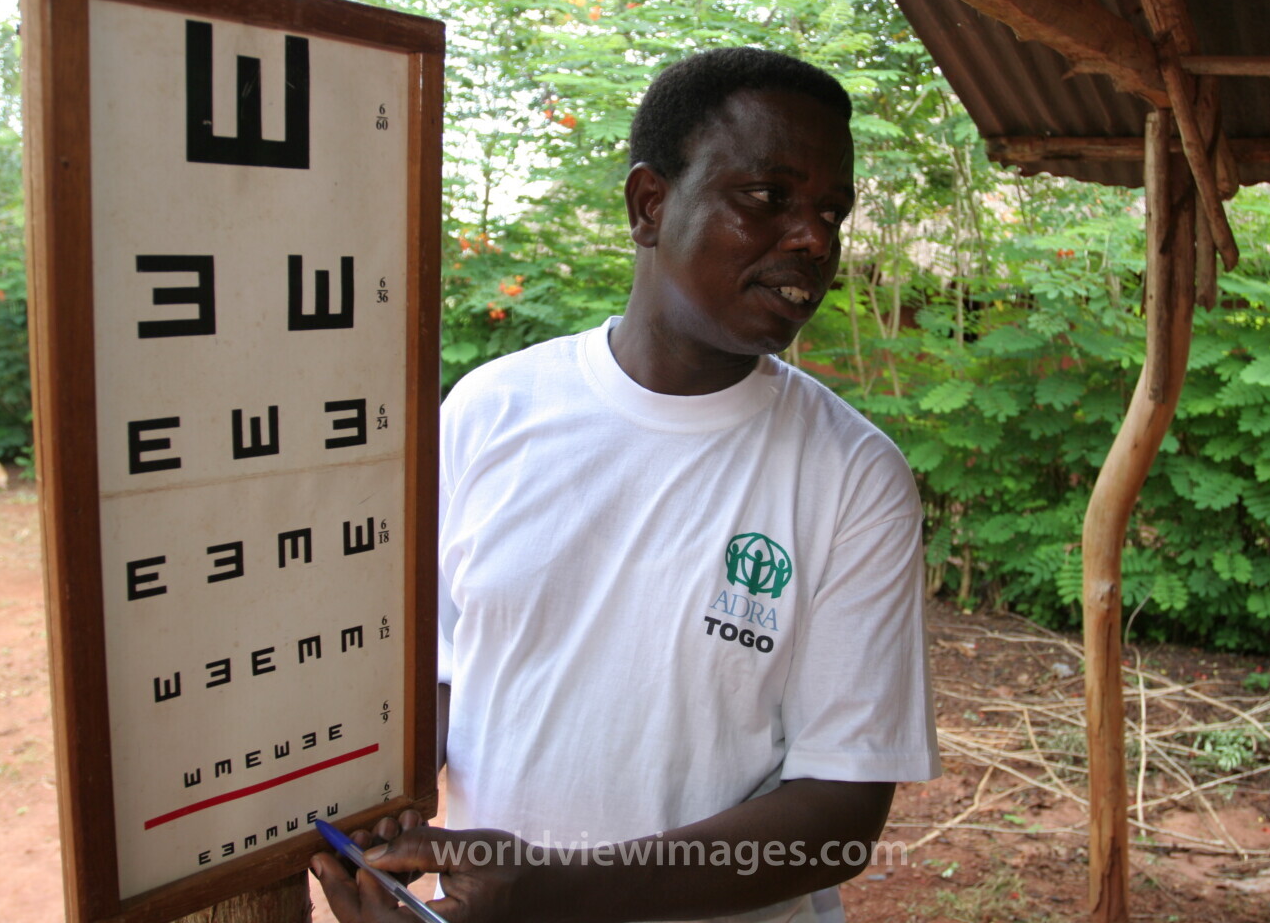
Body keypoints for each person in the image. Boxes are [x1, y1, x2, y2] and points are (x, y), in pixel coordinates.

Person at [311, 47, 939, 923]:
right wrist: (393, 815)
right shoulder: (493, 412)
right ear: (651, 205)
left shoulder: (852, 477)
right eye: (769, 198)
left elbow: (839, 820)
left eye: (832, 210)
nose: (814, 238)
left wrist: (554, 892)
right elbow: (442, 673)